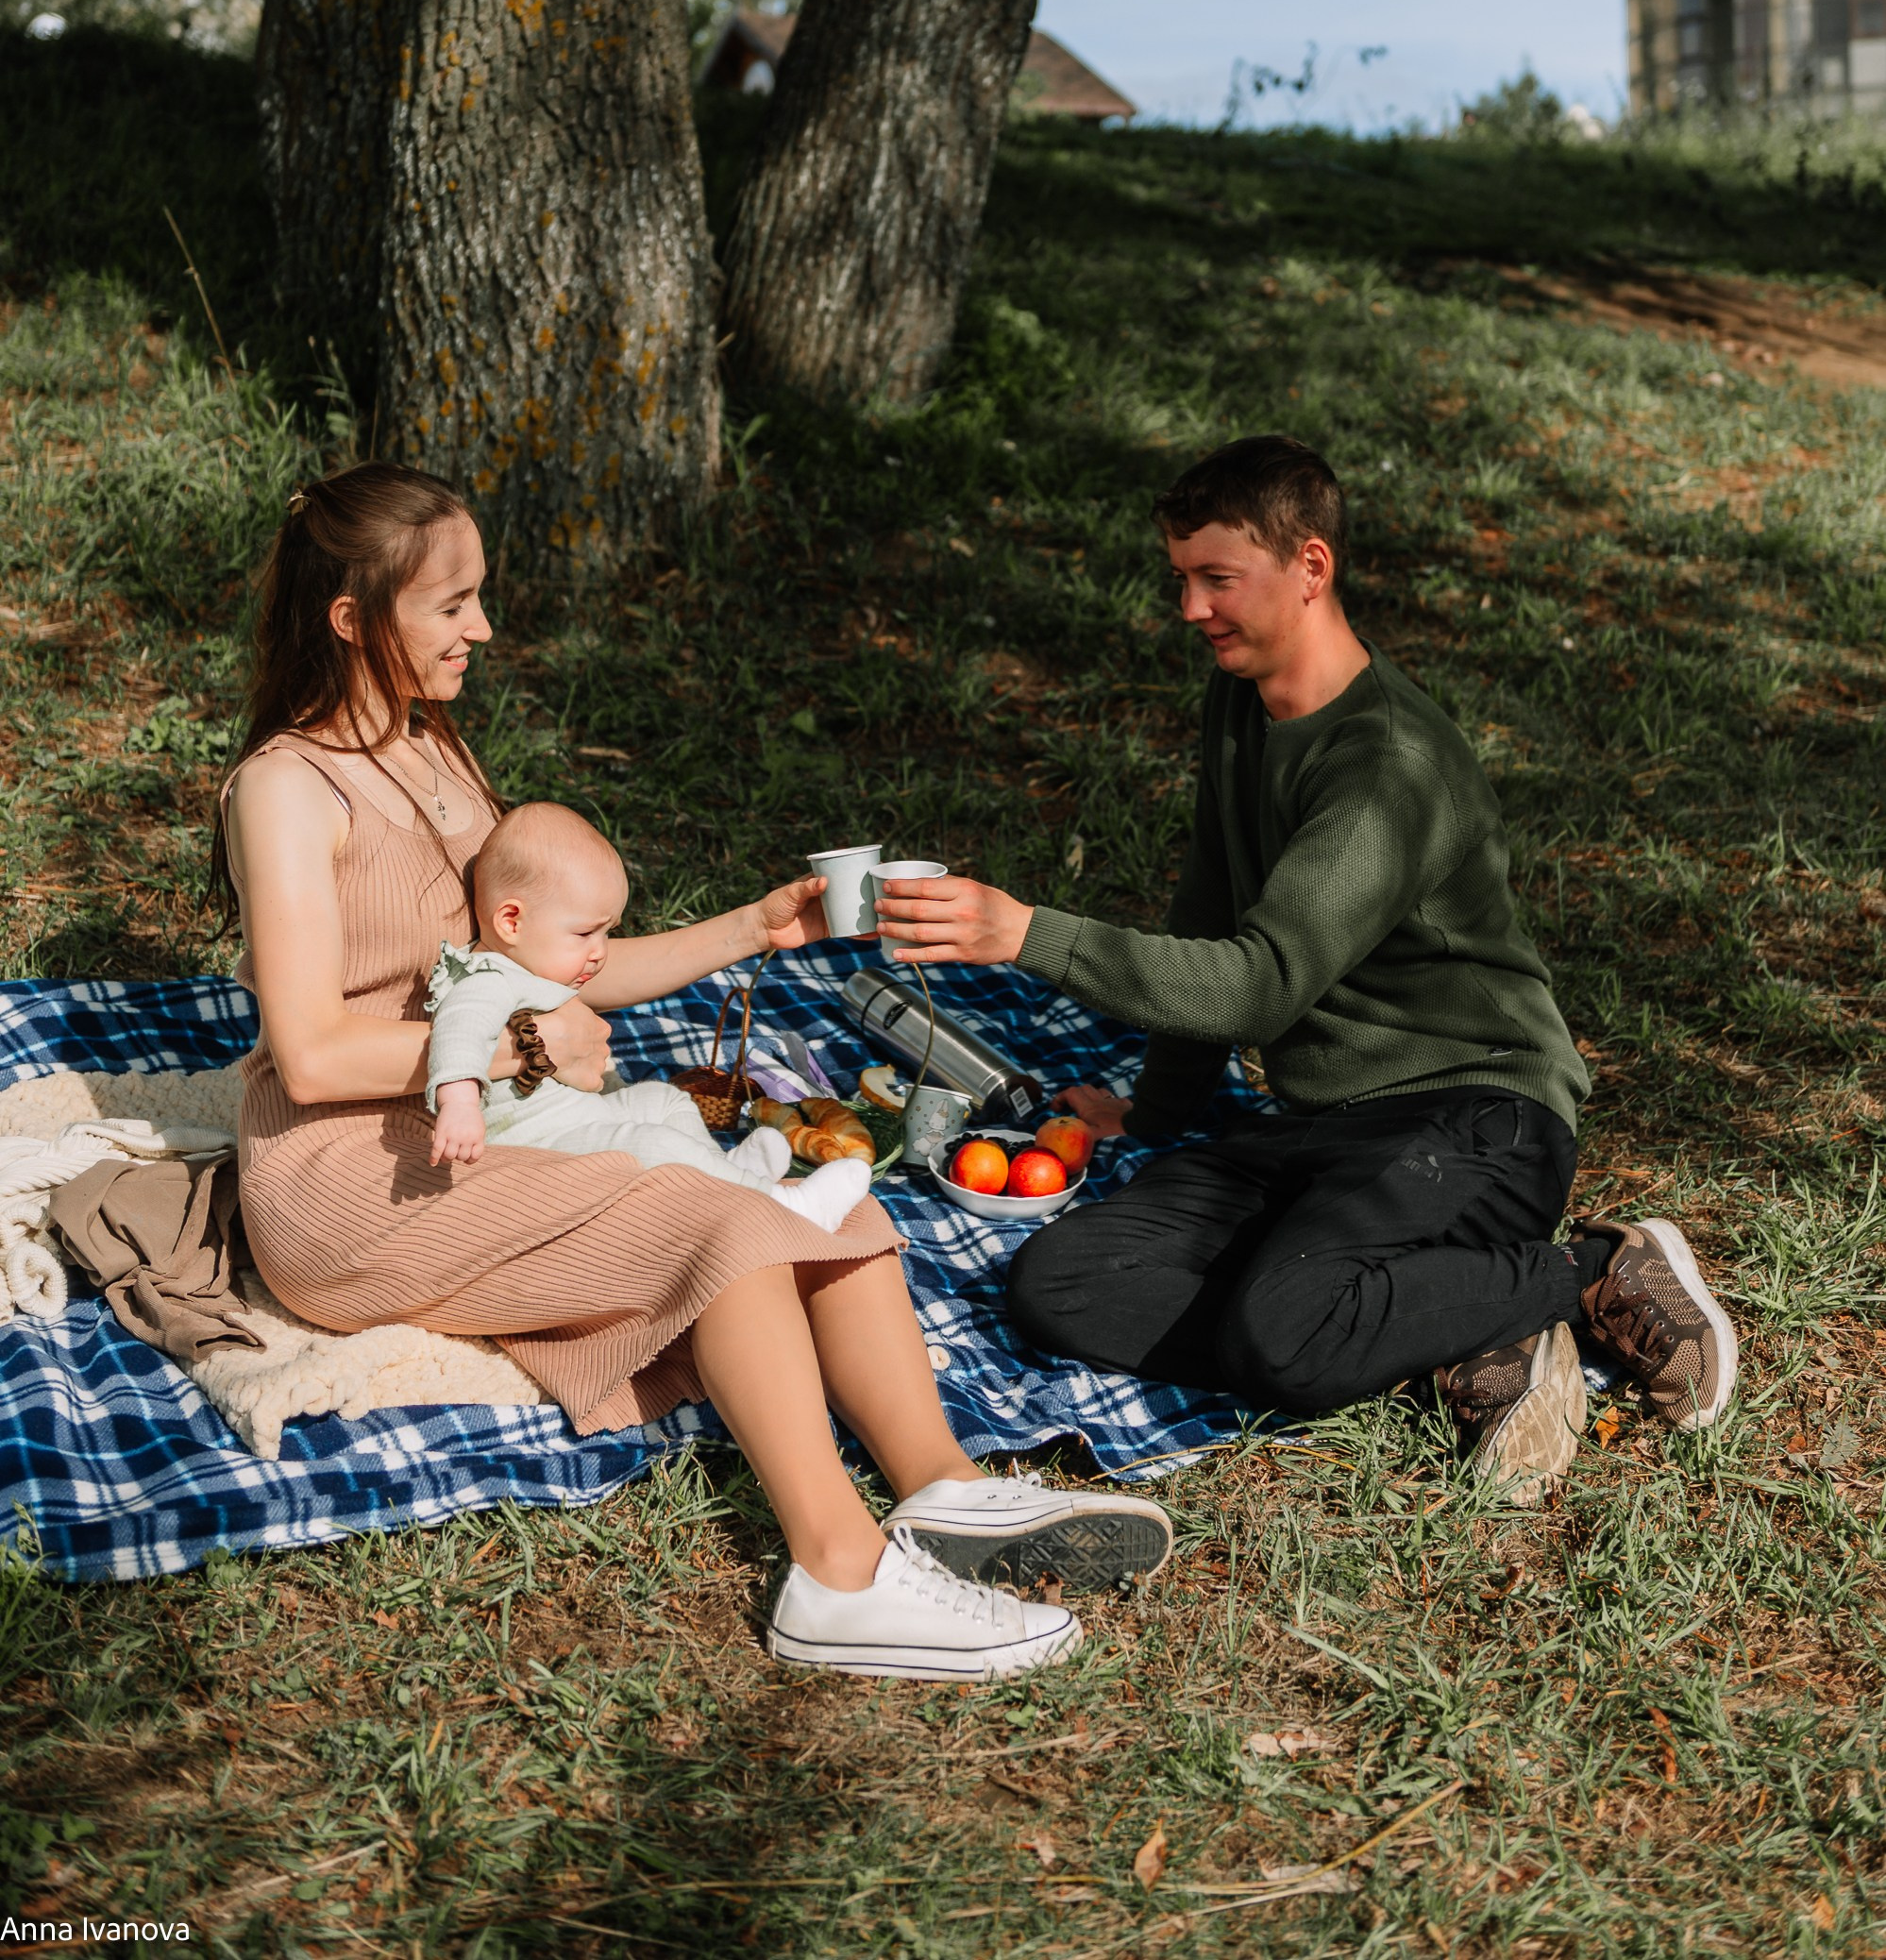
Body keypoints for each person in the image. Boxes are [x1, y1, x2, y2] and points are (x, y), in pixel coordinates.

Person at [214, 463, 1174, 1680]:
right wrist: (524, 1046)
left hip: (484, 1122)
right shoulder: (286, 789)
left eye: (478, 597)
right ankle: (835, 1579)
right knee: (713, 1219)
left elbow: (553, 965)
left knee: (822, 1201)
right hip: (350, 1177)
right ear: (354, 618)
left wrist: (751, 929)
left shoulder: (431, 747)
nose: (483, 629)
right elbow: (308, 1055)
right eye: (452, 605)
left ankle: (942, 1487)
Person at [874, 434, 1739, 1501]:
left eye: (1217, 578)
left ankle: (1592, 1271)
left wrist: (1024, 934)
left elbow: (1256, 985)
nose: (1190, 608)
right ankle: (1426, 1324)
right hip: (1322, 1128)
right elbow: (1208, 912)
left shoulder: (1388, 765)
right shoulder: (1242, 702)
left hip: (1474, 1119)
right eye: (1181, 578)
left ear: (1311, 567)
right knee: (1064, 1284)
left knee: (1282, 1333)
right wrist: (1153, 1115)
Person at [424, 801, 873, 1233]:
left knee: (665, 1100)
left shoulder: (531, 961)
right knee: (654, 1145)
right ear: (511, 921)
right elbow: (458, 1032)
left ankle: (719, 1171)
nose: (599, 952)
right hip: (535, 1146)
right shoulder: (487, 978)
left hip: (578, 1116)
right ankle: (783, 1207)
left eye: (607, 932)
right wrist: (460, 1104)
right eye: (585, 932)